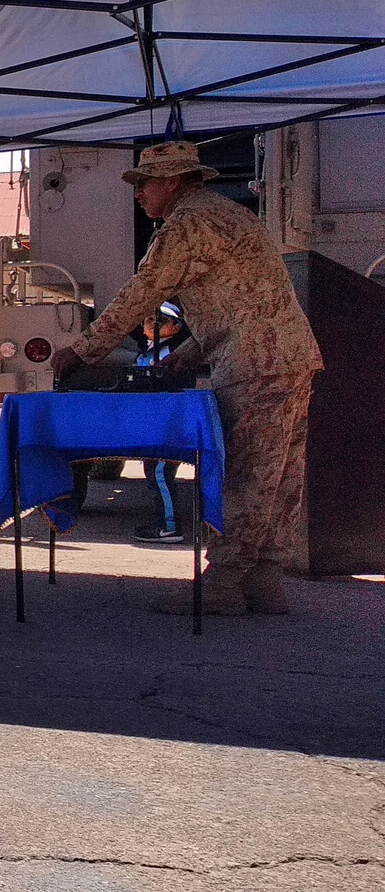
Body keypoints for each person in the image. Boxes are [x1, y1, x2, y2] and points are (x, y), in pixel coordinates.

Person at [51, 141, 322, 615]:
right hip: (289, 357)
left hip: (255, 365)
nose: (138, 193)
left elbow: (141, 294)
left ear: (173, 181)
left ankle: (224, 583)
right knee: (280, 477)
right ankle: (264, 582)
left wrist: (83, 348)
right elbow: (246, 301)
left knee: (247, 475)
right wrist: (188, 353)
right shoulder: (233, 215)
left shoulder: (185, 225)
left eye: (144, 183)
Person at [132, 301, 192, 544]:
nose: (153, 324)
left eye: (161, 321)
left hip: (168, 423)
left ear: (176, 328)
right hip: (151, 424)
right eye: (149, 319)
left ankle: (170, 527)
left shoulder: (175, 354)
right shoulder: (144, 352)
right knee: (153, 472)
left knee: (160, 473)